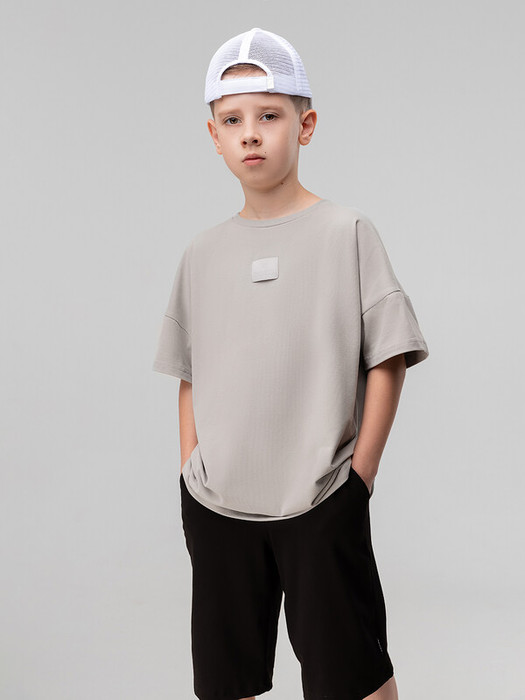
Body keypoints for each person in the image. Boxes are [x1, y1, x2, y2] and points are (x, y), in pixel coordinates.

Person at [152, 27, 429, 700]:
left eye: (269, 116)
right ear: (214, 135)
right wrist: (191, 471)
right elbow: (190, 372)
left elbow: (387, 356)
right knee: (226, 681)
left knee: (352, 675)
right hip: (218, 505)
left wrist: (358, 478)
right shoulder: (202, 253)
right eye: (232, 120)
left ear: (305, 126)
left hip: (321, 498)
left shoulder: (346, 232)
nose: (250, 134)